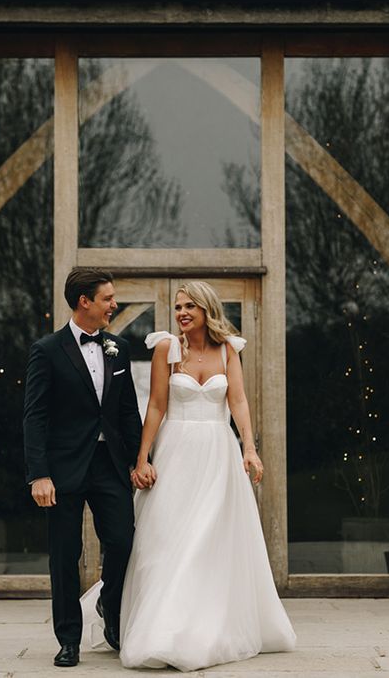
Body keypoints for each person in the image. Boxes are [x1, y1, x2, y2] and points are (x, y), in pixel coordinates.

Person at [80, 280, 296, 671]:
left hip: (218, 454)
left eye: (190, 307)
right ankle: (161, 628)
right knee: (166, 541)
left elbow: (239, 401)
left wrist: (249, 448)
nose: (181, 313)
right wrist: (142, 459)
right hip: (176, 452)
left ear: (206, 310)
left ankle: (205, 627)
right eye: (179, 306)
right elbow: (157, 407)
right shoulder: (167, 348)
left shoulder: (229, 349)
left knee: (207, 540)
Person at [23, 268, 143, 668]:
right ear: (84, 302)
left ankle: (110, 610)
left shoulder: (118, 348)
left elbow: (128, 412)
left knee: (123, 543)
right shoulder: (46, 350)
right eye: (108, 298)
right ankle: (68, 639)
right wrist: (39, 474)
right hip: (62, 470)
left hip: (110, 466)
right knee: (64, 555)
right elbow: (34, 416)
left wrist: (140, 460)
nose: (114, 304)